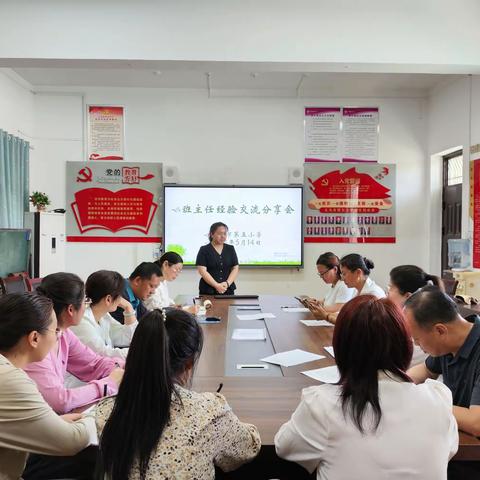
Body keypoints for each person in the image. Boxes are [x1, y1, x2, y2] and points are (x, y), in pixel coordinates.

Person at [275, 295, 458, 480]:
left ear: (343, 347)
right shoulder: (439, 400)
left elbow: (285, 447)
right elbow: (448, 449)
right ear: (405, 344)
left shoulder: (322, 405)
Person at [96, 308, 261, 479]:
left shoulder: (106, 412)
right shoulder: (209, 413)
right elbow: (249, 447)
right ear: (189, 363)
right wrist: (225, 412)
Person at [0, 293, 96, 480]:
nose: (58, 337)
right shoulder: (11, 379)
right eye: (55, 331)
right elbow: (71, 441)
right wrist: (95, 417)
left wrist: (56, 422)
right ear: (34, 338)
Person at [405, 286, 480, 479]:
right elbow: (421, 372)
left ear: (440, 330)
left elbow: (476, 422)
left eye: (418, 339)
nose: (416, 345)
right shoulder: (448, 343)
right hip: (456, 442)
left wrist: (426, 401)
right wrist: (393, 386)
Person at [24, 272, 125, 414]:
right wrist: (108, 384)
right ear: (71, 309)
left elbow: (93, 363)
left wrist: (119, 367)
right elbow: (59, 402)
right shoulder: (38, 344)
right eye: (85, 301)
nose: (86, 306)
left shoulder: (63, 333)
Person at [70, 270, 137, 359]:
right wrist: (138, 351)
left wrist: (128, 308)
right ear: (108, 299)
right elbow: (103, 354)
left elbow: (127, 337)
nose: (121, 299)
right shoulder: (83, 321)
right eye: (119, 295)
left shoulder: (104, 316)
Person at [307, 253, 385, 323]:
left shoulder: (371, 294)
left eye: (344, 274)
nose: (342, 278)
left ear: (358, 273)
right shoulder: (358, 290)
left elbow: (352, 322)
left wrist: (326, 316)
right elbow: (346, 315)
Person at [196, 222, 239, 295]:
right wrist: (216, 285)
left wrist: (227, 283)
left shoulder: (230, 249)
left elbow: (235, 268)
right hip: (208, 290)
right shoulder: (204, 250)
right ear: (211, 234)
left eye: (225, 234)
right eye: (219, 234)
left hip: (227, 289)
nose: (223, 236)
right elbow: (202, 271)